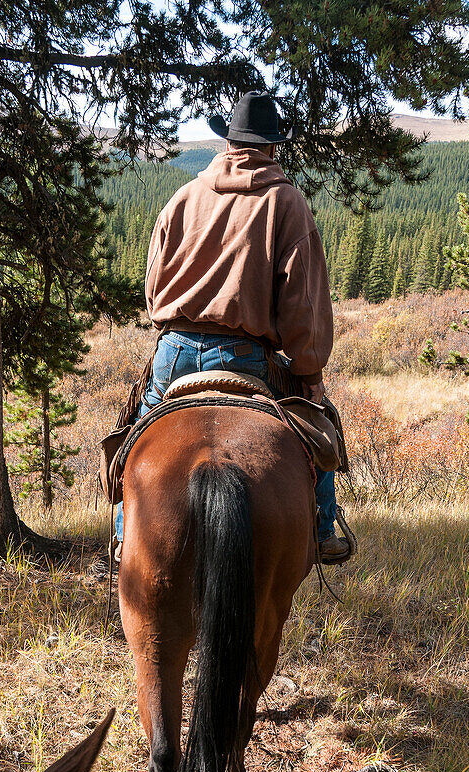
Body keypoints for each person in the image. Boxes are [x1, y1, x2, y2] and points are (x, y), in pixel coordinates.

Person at [114, 90, 349, 562]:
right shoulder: (287, 203)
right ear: (272, 147)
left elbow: (154, 287)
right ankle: (324, 529)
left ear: (229, 143)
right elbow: (302, 304)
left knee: (134, 438)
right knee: (317, 424)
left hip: (174, 353)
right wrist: (309, 373)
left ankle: (125, 535)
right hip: (243, 357)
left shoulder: (184, 197)